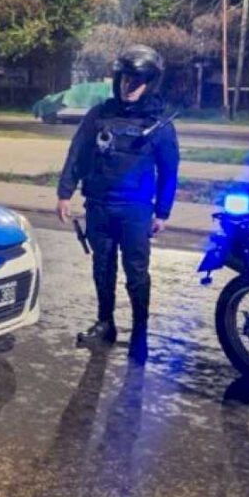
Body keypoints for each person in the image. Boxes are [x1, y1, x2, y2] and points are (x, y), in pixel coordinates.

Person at [56, 45, 180, 363]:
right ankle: (105, 323)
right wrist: (65, 192)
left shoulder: (160, 123)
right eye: (125, 78)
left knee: (136, 274)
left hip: (135, 211)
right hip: (98, 205)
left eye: (136, 80)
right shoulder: (100, 115)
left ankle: (139, 333)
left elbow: (169, 170)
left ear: (150, 83)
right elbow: (78, 154)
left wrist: (163, 212)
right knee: (102, 267)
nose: (129, 86)